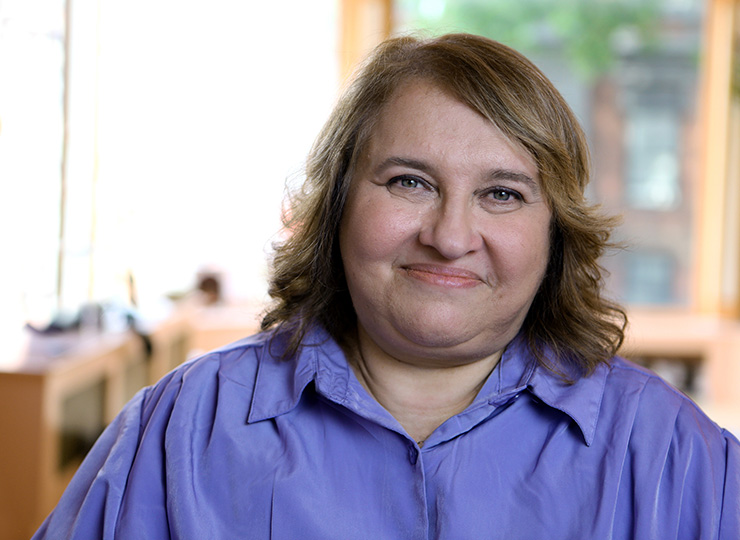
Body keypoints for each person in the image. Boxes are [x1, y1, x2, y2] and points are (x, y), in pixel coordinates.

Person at [33, 33, 738, 539]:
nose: (451, 235)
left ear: (556, 235)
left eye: (502, 193)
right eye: (410, 181)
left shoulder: (679, 458)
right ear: (338, 204)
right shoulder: (178, 430)